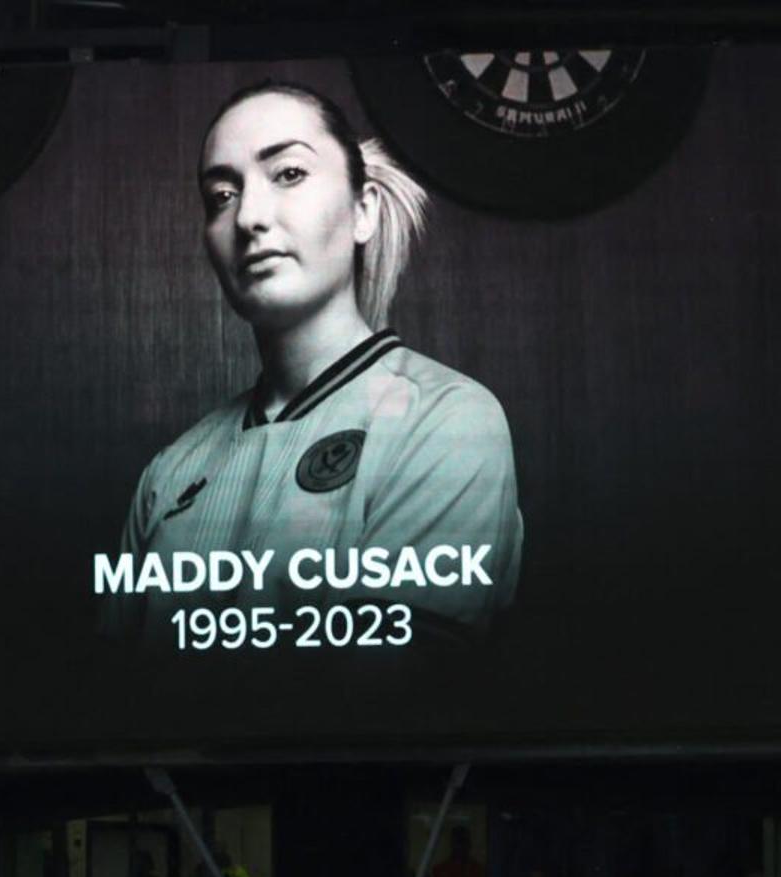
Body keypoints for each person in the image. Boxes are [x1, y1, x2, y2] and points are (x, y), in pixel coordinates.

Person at [104, 82, 520, 652]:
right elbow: (113, 700)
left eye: (289, 174)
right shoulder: (170, 473)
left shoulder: (449, 421)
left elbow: (389, 700)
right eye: (221, 195)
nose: (248, 216)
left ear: (363, 210)